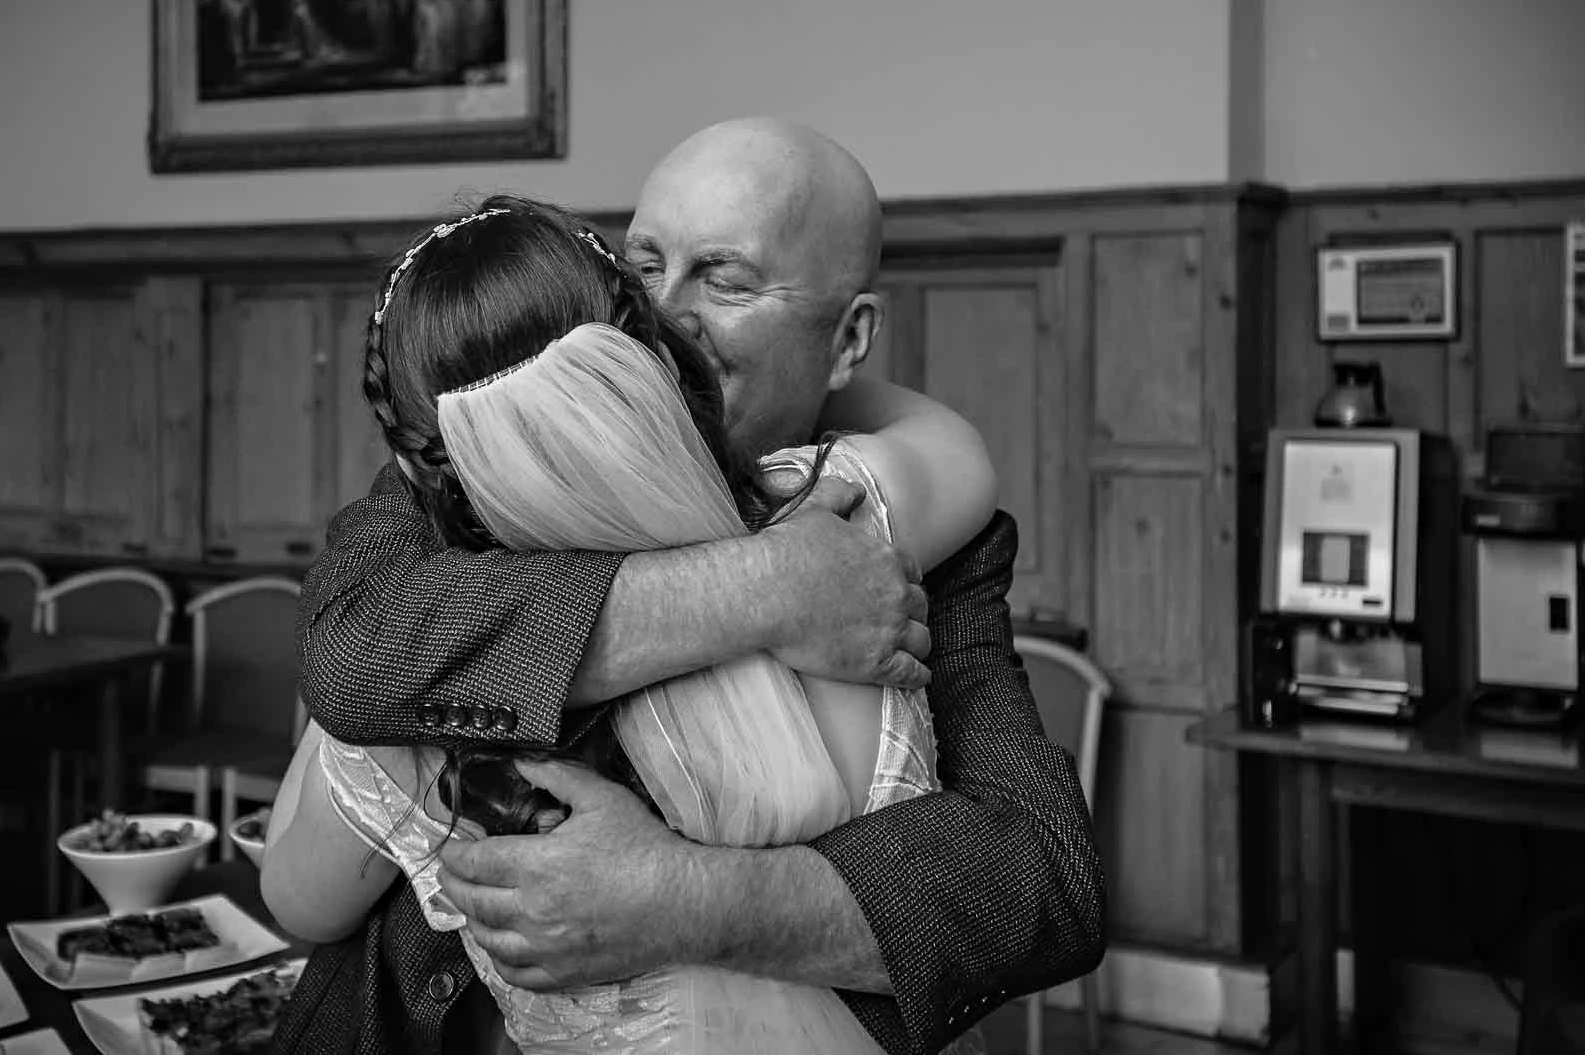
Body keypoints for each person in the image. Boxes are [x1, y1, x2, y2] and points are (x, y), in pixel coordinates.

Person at [274, 118, 1105, 1055]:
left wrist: (685, 900)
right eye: (645, 266)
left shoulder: (913, 538)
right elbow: (351, 659)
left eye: (727, 278)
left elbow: (1042, 883)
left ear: (849, 339)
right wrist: (759, 588)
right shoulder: (468, 471)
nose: (668, 315)